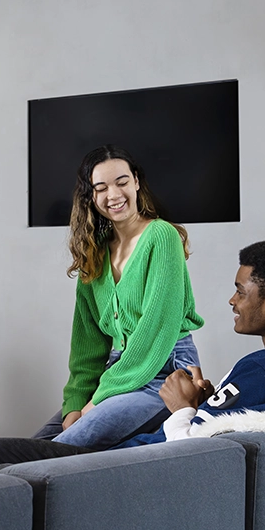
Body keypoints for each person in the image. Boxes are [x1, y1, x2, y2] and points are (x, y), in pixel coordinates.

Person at [0, 239, 265, 469]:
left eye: (241, 291)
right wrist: (205, 401)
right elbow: (231, 422)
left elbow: (195, 455)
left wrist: (182, 406)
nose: (232, 300)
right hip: (133, 455)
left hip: (126, 467)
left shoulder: (261, 370)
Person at [34, 145, 204, 449]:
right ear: (91, 196)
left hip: (162, 374)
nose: (114, 195)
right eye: (101, 188)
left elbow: (154, 334)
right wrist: (76, 401)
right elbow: (88, 343)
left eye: (122, 182)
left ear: (136, 182)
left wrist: (96, 401)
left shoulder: (162, 237)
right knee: (37, 445)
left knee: (60, 451)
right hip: (117, 372)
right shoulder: (95, 250)